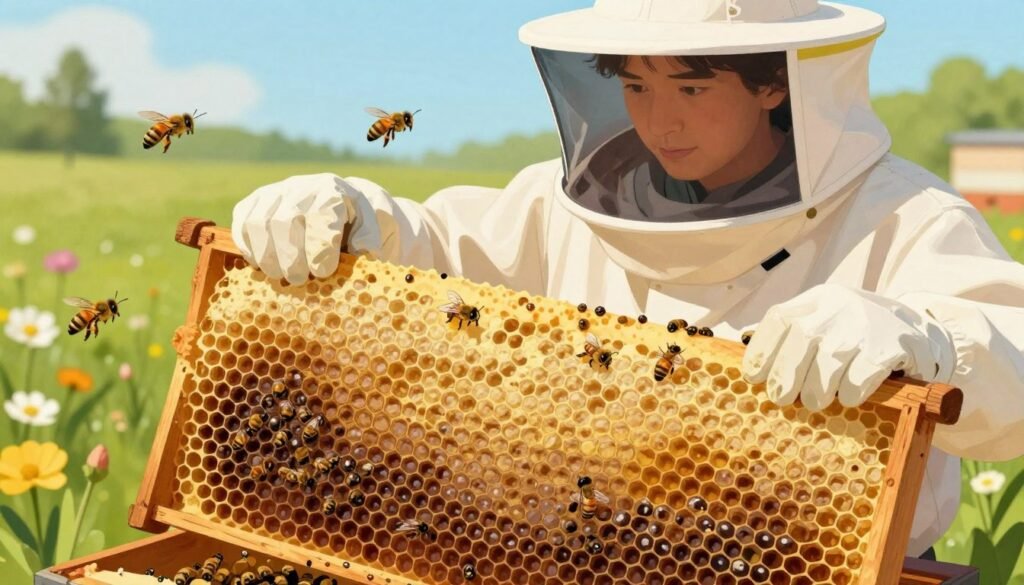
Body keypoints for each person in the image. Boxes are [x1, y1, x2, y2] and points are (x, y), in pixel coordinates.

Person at [232, 0, 1024, 559]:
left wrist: (930, 340)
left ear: (774, 82)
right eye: (635, 86)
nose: (660, 122)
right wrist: (354, 216)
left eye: (690, 87)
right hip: (569, 552)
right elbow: (444, 249)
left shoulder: (904, 214)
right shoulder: (564, 201)